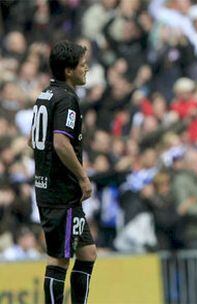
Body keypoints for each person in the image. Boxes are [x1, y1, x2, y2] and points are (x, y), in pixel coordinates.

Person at [29, 40, 96, 304]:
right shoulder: (67, 99)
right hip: (61, 191)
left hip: (51, 188)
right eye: (82, 65)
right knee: (59, 257)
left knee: (87, 252)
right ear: (69, 70)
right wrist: (82, 177)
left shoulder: (45, 94)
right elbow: (60, 141)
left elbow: (31, 139)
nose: (86, 68)